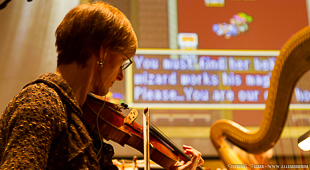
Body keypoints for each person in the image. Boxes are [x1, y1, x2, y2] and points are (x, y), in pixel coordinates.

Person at [0, 1, 204, 170]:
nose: (121, 76)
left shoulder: (80, 117)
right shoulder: (40, 104)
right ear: (102, 52)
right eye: (123, 61)